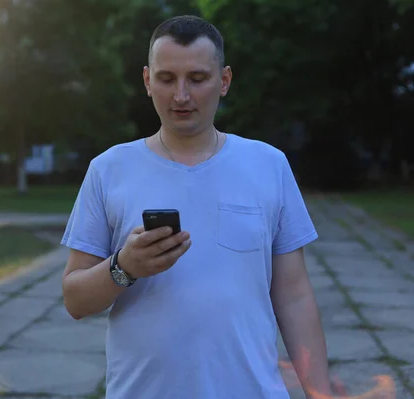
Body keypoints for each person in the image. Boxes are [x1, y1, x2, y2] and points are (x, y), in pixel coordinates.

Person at [61, 15, 341, 399]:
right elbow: (75, 300)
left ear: (224, 81)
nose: (181, 96)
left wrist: (321, 393)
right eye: (166, 79)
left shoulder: (268, 164)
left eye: (197, 78)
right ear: (147, 81)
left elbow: (294, 297)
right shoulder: (109, 169)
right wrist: (123, 267)